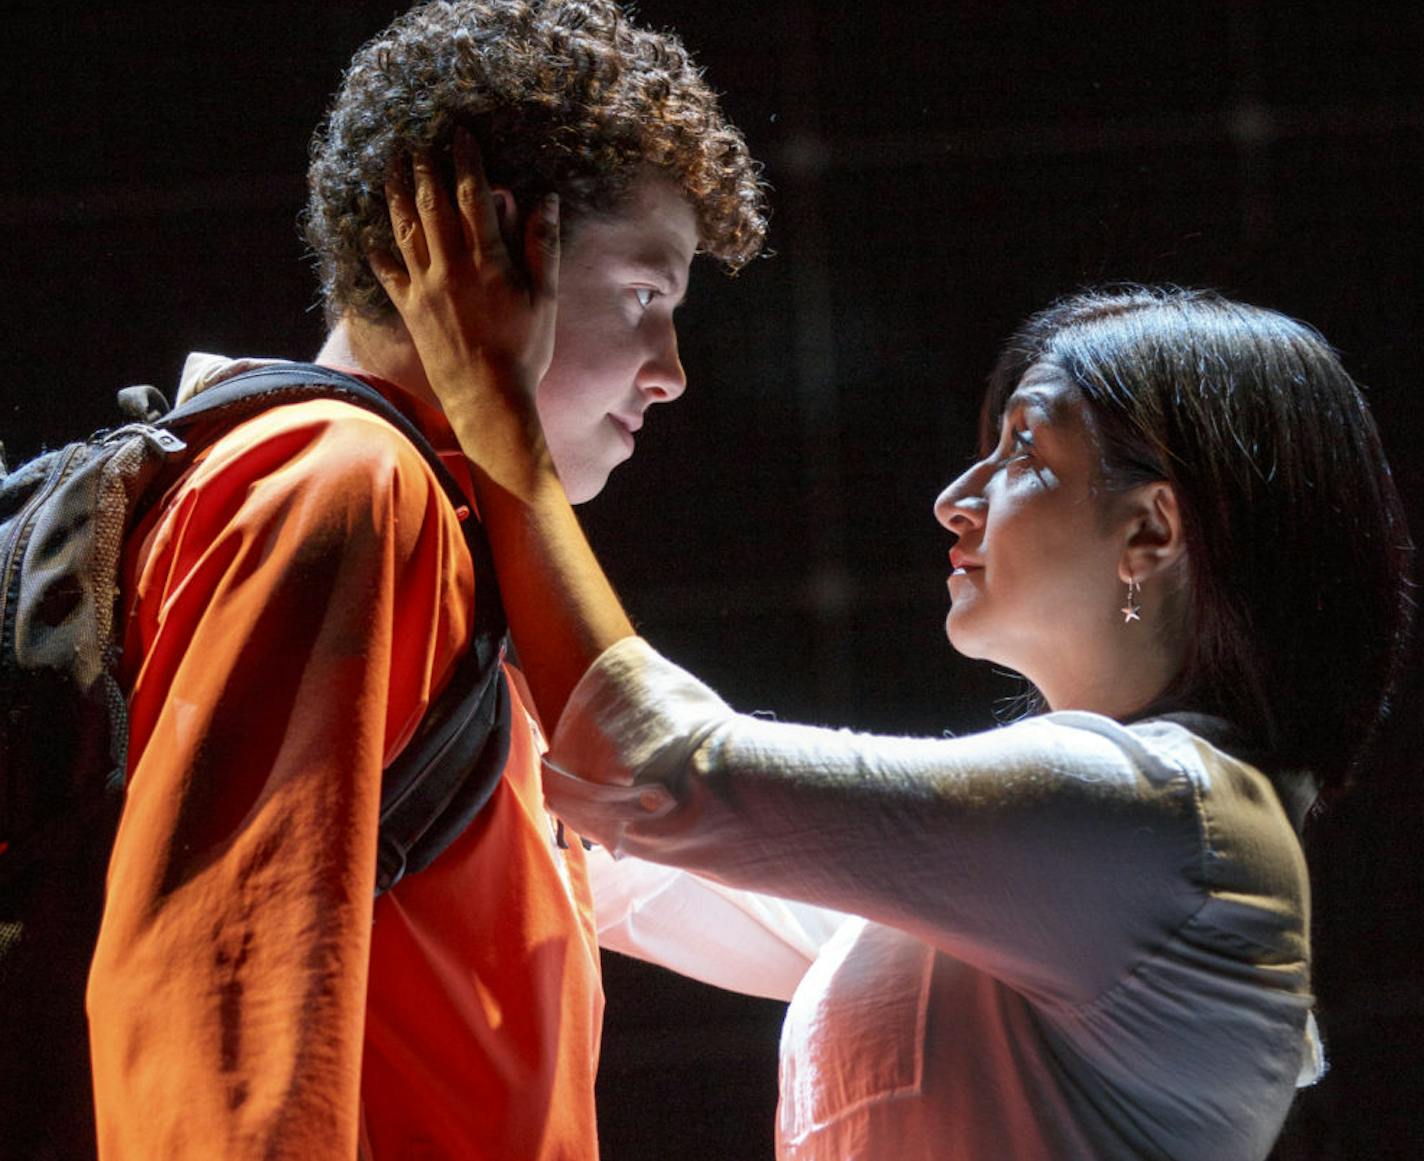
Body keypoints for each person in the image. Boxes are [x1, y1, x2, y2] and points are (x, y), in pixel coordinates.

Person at [371, 145, 1414, 1160]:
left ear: (1150, 531)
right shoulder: (1058, 872)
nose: (952, 501)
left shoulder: (1158, 823)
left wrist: (492, 405)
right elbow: (636, 868)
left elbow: (661, 775)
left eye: (1021, 453)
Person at [83, 3, 766, 1158]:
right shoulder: (347, 484)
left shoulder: (420, 526)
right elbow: (220, 996)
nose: (671, 374)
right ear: (494, 243)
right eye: (649, 297)